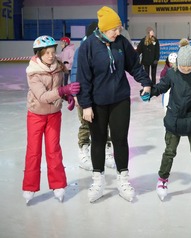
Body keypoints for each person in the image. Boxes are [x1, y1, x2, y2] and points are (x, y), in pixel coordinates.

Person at [76, 6, 152, 203]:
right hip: (97, 103)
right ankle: (98, 181)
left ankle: (123, 179)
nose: (118, 32)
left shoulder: (121, 43)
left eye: (119, 29)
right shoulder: (88, 46)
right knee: (98, 140)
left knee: (120, 139)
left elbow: (134, 65)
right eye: (114, 29)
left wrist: (145, 81)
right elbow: (83, 78)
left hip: (120, 99)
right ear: (103, 29)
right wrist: (86, 105)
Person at [144, 42, 191, 201]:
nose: (185, 69)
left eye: (188, 67)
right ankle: (162, 180)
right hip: (174, 120)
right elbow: (160, 87)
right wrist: (149, 93)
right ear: (178, 64)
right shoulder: (172, 73)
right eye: (182, 66)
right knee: (169, 151)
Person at [22, 35, 81, 204]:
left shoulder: (58, 68)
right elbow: (42, 96)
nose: (51, 55)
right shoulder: (33, 72)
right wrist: (63, 91)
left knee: (53, 150)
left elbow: (56, 91)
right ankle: (29, 186)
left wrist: (66, 97)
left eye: (53, 52)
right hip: (36, 115)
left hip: (54, 115)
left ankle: (58, 185)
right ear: (39, 54)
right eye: (47, 53)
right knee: (34, 151)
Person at [70, 22, 116, 171]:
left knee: (105, 123)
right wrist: (76, 93)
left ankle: (107, 150)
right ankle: (84, 151)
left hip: (102, 95)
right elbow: (76, 71)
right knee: (85, 123)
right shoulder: (82, 49)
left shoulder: (106, 48)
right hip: (85, 95)